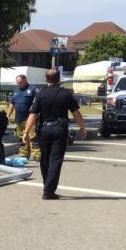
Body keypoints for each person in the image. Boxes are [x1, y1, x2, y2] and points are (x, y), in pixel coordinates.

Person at [24, 68, 86, 199]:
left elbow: (33, 114)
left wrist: (26, 132)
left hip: (44, 129)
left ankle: (47, 186)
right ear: (59, 79)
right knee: (55, 160)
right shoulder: (66, 94)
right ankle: (48, 190)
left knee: (45, 160)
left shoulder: (40, 94)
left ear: (46, 79)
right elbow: (76, 113)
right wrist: (82, 127)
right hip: (59, 129)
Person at [7, 73, 39, 161]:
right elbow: (12, 104)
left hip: (30, 118)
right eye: (17, 83)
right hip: (19, 118)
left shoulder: (33, 89)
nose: (18, 84)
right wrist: (8, 116)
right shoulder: (16, 91)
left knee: (33, 137)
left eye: (20, 82)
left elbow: (37, 102)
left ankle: (36, 154)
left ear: (25, 80)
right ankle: (24, 153)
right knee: (21, 137)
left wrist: (34, 112)